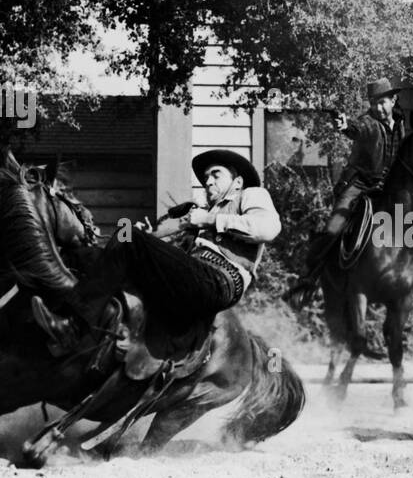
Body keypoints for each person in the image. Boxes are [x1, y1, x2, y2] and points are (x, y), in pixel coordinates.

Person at [30, 150, 280, 354]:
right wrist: (149, 238)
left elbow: (268, 229)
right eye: (206, 177)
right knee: (122, 234)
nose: (208, 181)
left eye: (216, 174)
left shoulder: (250, 194)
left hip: (220, 280)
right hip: (192, 278)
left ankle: (74, 327)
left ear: (237, 181)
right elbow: (176, 258)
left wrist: (209, 219)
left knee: (130, 240)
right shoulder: (196, 216)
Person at [286, 77, 413, 316]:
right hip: (359, 185)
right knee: (333, 229)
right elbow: (355, 128)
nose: (377, 108)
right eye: (373, 103)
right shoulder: (368, 123)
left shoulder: (403, 125)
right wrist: (344, 125)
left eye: (382, 102)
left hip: (387, 189)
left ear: (393, 100)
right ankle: (305, 283)